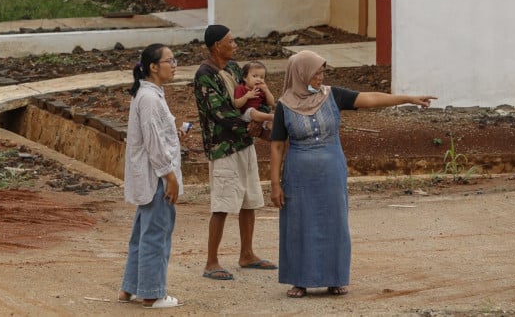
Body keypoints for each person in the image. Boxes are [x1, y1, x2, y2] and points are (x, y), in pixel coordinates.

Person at [270, 50, 436, 298]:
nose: (321, 76)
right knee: (299, 224)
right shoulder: (284, 105)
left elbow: (369, 98)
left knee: (334, 221)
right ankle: (300, 280)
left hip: (331, 171)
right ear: (301, 73)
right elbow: (277, 145)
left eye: (322, 71)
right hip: (299, 176)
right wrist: (275, 184)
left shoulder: (332, 95)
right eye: (316, 72)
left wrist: (408, 98)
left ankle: (335, 278)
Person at [193, 25, 276, 282]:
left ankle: (247, 254)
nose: (236, 45)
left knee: (249, 200)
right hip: (223, 147)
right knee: (222, 204)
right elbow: (218, 113)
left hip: (242, 144)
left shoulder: (232, 68)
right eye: (231, 41)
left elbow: (250, 99)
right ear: (217, 45)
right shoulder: (205, 75)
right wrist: (254, 129)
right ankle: (211, 261)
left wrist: (257, 124)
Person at [118, 43, 184, 309]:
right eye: (170, 60)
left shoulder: (150, 95)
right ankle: (152, 293)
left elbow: (157, 136)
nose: (174, 64)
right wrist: (169, 176)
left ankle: (130, 288)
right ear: (153, 67)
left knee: (142, 234)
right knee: (157, 234)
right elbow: (153, 142)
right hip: (156, 177)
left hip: (150, 175)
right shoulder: (148, 98)